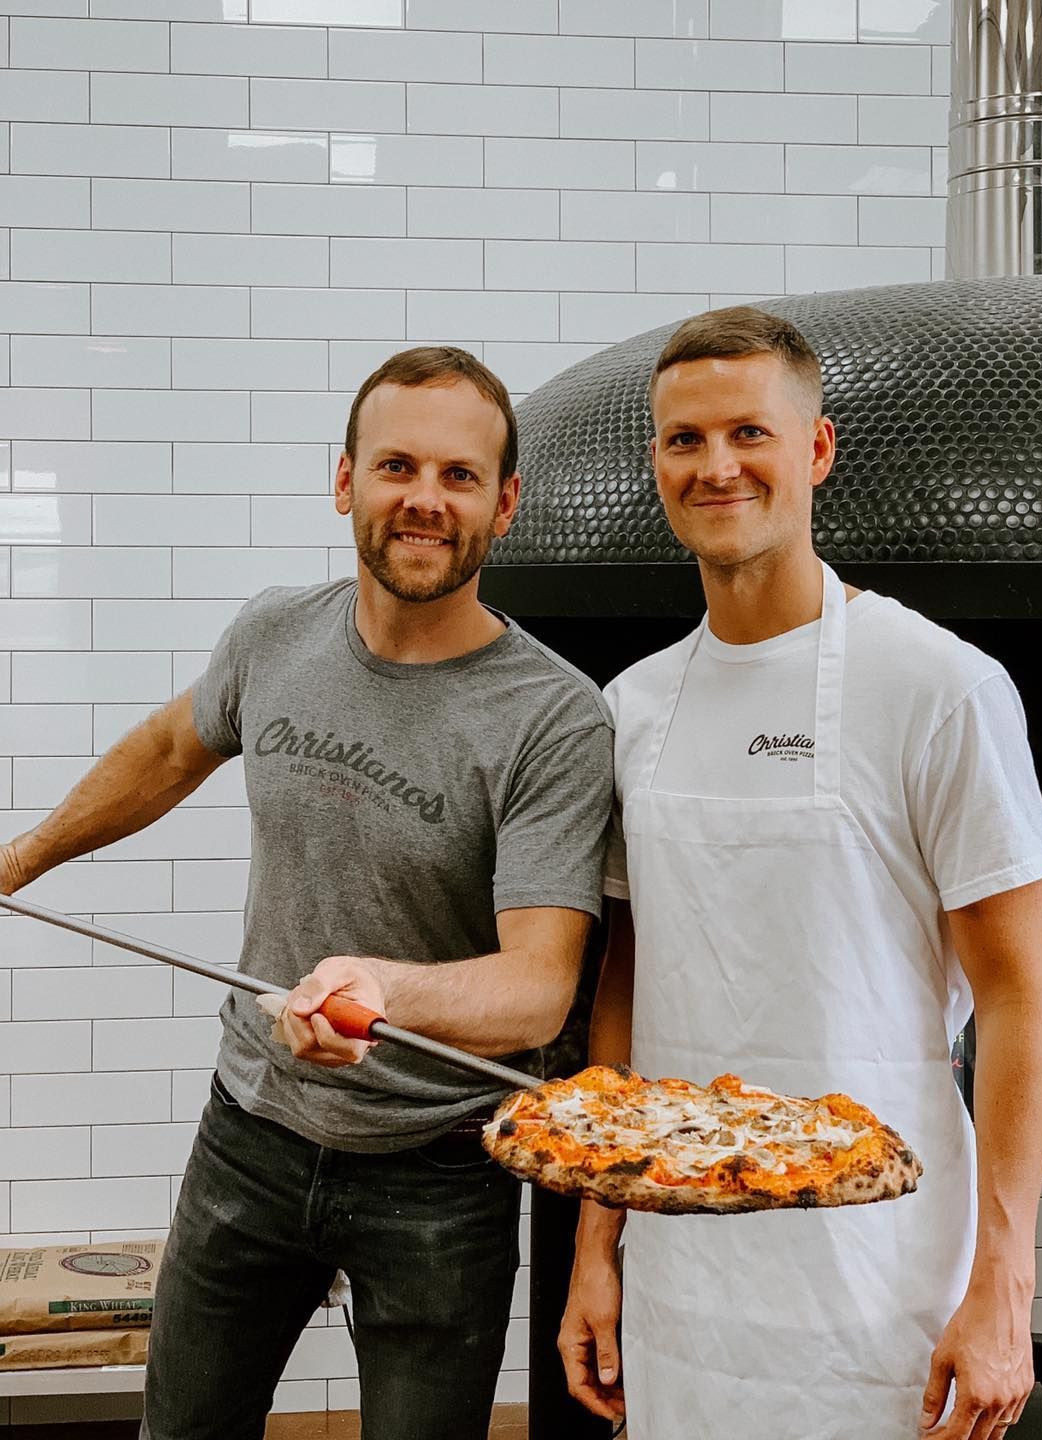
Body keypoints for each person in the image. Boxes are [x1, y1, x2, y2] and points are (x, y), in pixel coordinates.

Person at [0, 347, 615, 1440]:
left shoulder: (553, 718)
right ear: (345, 482)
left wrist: (377, 985)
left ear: (506, 504)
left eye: (461, 476)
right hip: (251, 1134)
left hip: (440, 1172)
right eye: (397, 465)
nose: (425, 499)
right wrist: (18, 860)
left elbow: (537, 991)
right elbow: (164, 749)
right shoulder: (276, 632)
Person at [557, 307, 1042, 1440]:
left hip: (876, 1272)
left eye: (750, 433)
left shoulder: (939, 686)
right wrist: (600, 1244)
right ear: (657, 464)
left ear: (818, 450)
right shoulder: (632, 707)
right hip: (684, 1271)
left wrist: (1005, 1287)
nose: (716, 465)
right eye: (685, 440)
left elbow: (1023, 999)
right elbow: (625, 996)